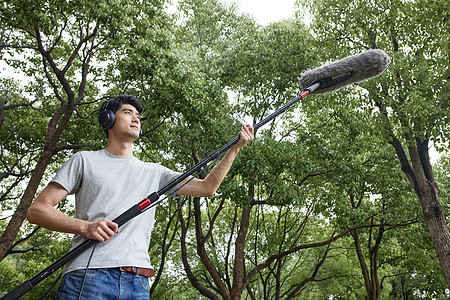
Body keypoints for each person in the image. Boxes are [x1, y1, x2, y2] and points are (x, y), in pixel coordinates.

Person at [26, 95, 254, 299]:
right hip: (89, 276)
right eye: (127, 112)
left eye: (138, 116)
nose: (136, 118)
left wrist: (235, 148)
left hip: (138, 282)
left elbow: (207, 188)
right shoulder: (84, 160)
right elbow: (37, 210)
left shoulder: (155, 172)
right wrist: (86, 227)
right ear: (108, 120)